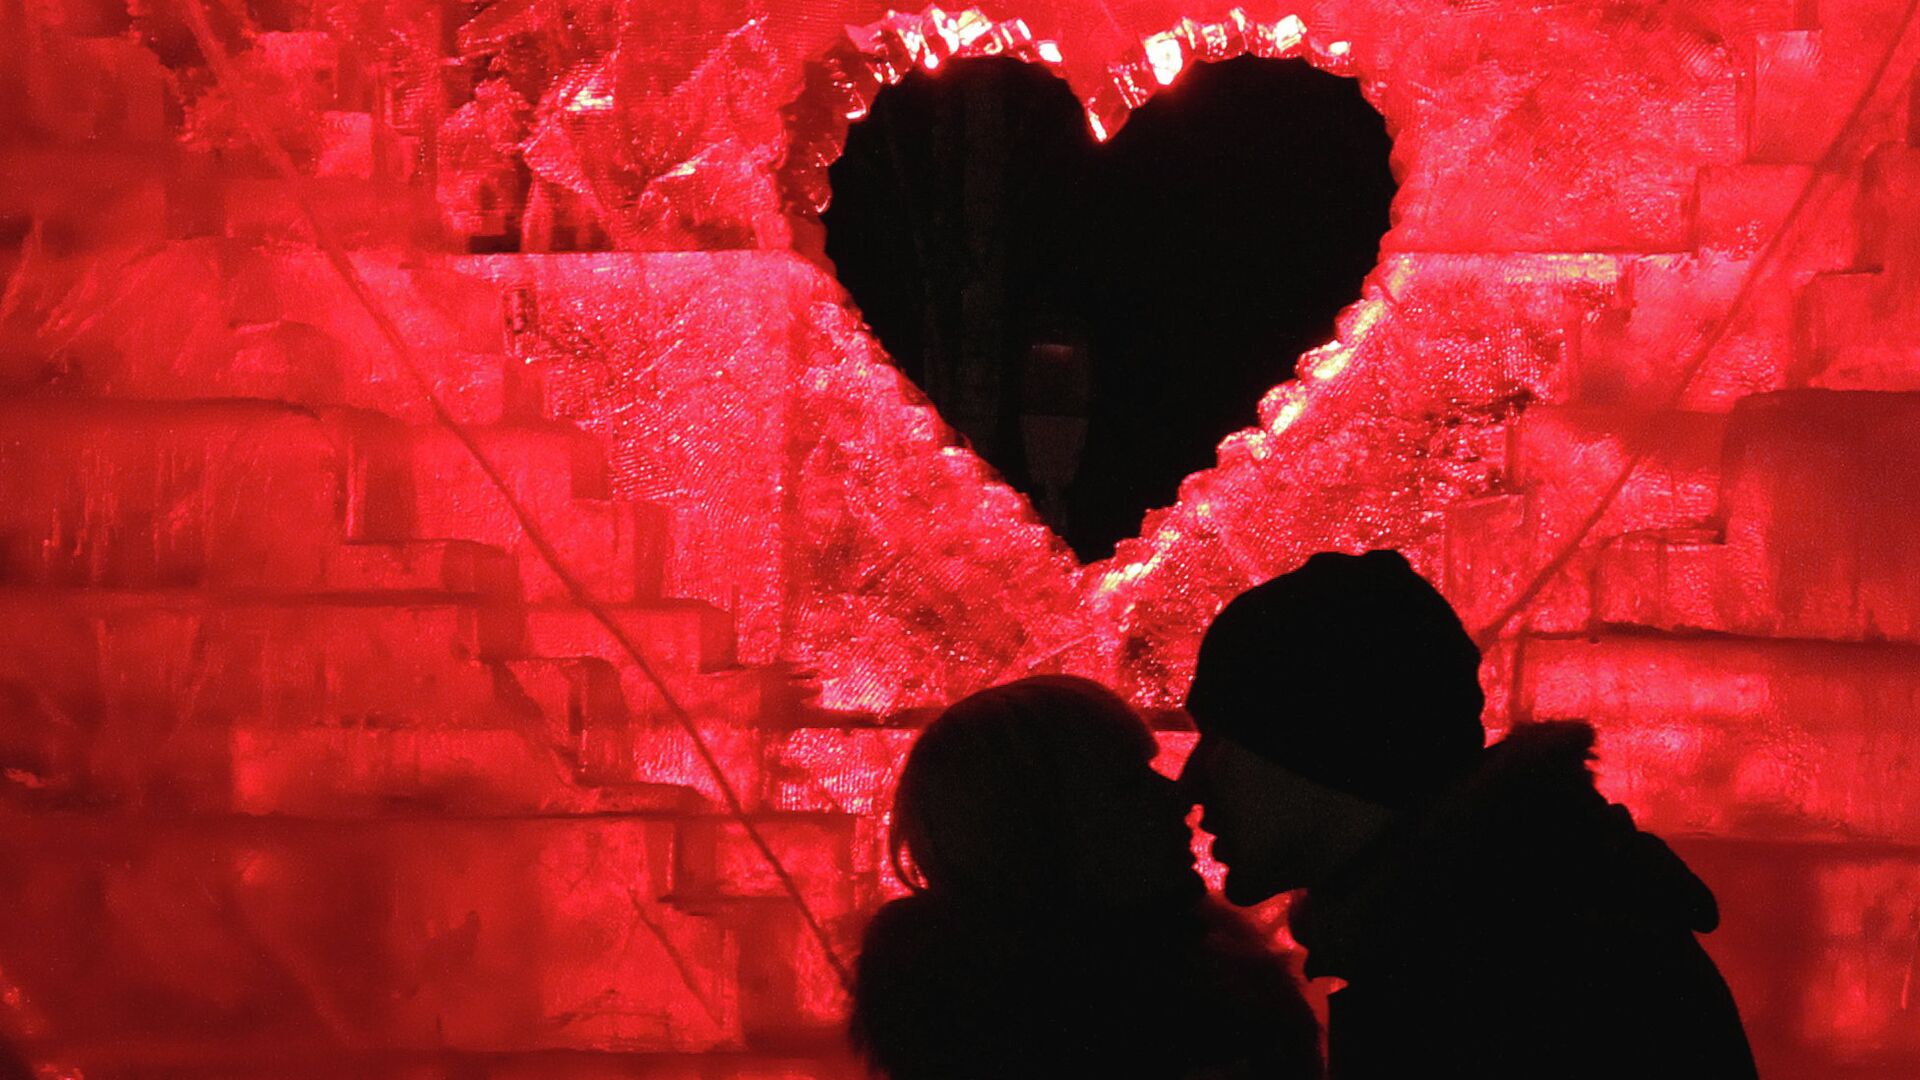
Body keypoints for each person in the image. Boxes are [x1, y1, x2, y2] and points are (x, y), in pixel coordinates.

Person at [1178, 550, 1757, 1079]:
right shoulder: (1491, 934)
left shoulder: (1522, 982)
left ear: (1319, 747)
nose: (1189, 784)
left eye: (1219, 739)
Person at [850, 675, 1322, 1080]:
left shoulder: (964, 1025)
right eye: (1126, 784)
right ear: (1030, 832)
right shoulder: (1202, 1012)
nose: (1178, 796)